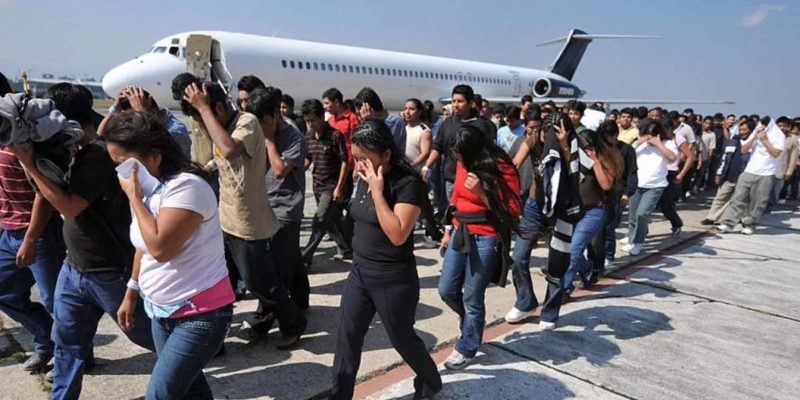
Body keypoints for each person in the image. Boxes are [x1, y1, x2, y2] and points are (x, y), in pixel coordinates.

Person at [10, 83, 155, 400]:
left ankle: (189, 369)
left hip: (109, 272)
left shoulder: (99, 155)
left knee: (150, 337)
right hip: (73, 268)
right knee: (66, 343)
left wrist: (29, 163)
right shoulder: (66, 149)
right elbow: (48, 195)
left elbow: (69, 205)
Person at [105, 111, 233, 400]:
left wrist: (134, 198)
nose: (121, 174)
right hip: (160, 310)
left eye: (125, 164)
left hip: (199, 313)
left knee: (161, 394)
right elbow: (143, 245)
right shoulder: (150, 189)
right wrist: (132, 291)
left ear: (154, 157)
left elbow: (161, 248)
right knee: (190, 389)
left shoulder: (187, 187)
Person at [174, 74, 306, 347]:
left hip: (249, 221)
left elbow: (230, 149)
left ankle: (293, 322)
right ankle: (219, 333)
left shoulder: (247, 122)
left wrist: (203, 109)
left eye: (203, 117)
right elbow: (221, 156)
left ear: (219, 108)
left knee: (261, 284)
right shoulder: (222, 125)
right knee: (222, 281)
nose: (202, 124)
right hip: (225, 218)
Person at [331, 120, 442, 399]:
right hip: (360, 272)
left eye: (365, 159)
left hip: (392, 278)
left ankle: (430, 381)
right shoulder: (361, 177)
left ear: (387, 155)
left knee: (402, 339)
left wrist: (378, 193)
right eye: (356, 159)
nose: (359, 166)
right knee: (347, 337)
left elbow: (398, 234)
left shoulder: (408, 183)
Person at [438, 124, 520, 370]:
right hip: (460, 232)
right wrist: (448, 229)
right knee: (446, 289)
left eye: (461, 155)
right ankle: (470, 324)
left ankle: (467, 346)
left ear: (476, 151)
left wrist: (483, 192)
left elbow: (512, 211)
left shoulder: (502, 167)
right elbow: (456, 199)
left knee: (473, 295)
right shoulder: (465, 162)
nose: (458, 160)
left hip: (486, 236)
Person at [0, 74, 66, 374]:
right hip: (8, 230)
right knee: (4, 292)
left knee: (57, 301)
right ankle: (46, 341)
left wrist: (30, 239)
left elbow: (44, 192)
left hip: (38, 233)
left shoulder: (22, 133)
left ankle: (72, 358)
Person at [248, 86, 310, 311]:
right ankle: (301, 304)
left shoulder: (293, 137)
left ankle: (270, 319)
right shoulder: (261, 131)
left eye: (263, 121)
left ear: (274, 116)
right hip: (266, 203)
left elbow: (279, 170)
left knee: (278, 268)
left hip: (286, 208)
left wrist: (269, 140)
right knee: (291, 261)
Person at [422, 85, 497, 202]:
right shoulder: (448, 123)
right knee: (453, 213)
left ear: (470, 103)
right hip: (451, 179)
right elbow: (438, 146)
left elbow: (488, 153)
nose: (456, 105)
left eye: (460, 101)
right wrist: (427, 166)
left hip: (473, 180)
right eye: (454, 101)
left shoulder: (480, 125)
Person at [301, 99, 352, 265]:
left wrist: (339, 187)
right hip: (317, 184)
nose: (310, 124)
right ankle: (346, 248)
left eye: (313, 120)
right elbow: (309, 157)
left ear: (322, 117)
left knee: (320, 220)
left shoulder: (335, 135)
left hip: (331, 186)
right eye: (307, 121)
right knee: (332, 220)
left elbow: (345, 161)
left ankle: (305, 258)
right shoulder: (308, 136)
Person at [505, 115, 546, 323]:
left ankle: (585, 268)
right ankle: (525, 300)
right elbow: (512, 164)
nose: (534, 133)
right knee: (519, 258)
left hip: (559, 211)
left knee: (567, 257)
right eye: (530, 128)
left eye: (538, 128)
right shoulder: (523, 143)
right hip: (532, 206)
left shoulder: (558, 148)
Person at [718, 119, 785, 235]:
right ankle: (728, 223)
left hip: (766, 174)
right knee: (738, 197)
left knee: (757, 202)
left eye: (764, 125)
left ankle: (750, 225)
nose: (761, 127)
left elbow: (775, 153)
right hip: (749, 171)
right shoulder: (756, 132)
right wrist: (754, 138)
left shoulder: (779, 136)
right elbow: (743, 150)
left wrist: (765, 140)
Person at [588, 121, 637, 275]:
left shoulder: (626, 150)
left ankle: (608, 256)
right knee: (597, 230)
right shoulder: (599, 150)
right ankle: (596, 259)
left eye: (610, 138)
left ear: (617, 135)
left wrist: (627, 193)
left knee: (609, 228)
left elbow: (632, 173)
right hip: (599, 195)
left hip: (617, 194)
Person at [622, 121, 677, 255]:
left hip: (655, 185)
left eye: (652, 134)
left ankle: (638, 242)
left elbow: (672, 157)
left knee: (642, 214)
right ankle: (631, 239)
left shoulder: (667, 144)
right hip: (637, 184)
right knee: (633, 215)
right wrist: (639, 142)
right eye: (647, 134)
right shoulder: (639, 145)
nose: (649, 137)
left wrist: (658, 144)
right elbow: (624, 154)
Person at [98, 86, 192, 158]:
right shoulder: (133, 124)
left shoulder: (176, 128)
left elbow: (160, 141)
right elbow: (99, 137)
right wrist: (114, 109)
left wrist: (141, 112)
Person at [701, 120, 754, 225]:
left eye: (744, 129)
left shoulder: (756, 144)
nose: (742, 132)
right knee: (720, 198)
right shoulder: (734, 141)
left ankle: (745, 220)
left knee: (743, 200)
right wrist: (719, 173)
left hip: (745, 177)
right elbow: (725, 158)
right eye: (740, 129)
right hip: (730, 176)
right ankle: (711, 217)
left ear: (751, 131)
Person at [657, 118, 693, 237]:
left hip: (671, 173)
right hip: (657, 172)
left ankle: (676, 223)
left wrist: (681, 174)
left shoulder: (678, 139)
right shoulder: (658, 138)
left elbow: (690, 157)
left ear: (670, 129)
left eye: (664, 130)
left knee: (666, 204)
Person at [355, 87, 406, 153]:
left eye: (360, 114)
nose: (359, 118)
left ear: (369, 109)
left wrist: (370, 122)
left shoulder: (395, 122)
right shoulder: (363, 122)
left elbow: (383, 146)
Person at [696, 116, 717, 192]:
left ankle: (696, 187)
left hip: (704, 156)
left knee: (700, 174)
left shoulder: (712, 134)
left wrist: (709, 158)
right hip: (694, 156)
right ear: (703, 123)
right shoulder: (697, 131)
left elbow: (711, 147)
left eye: (709, 124)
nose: (707, 125)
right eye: (706, 123)